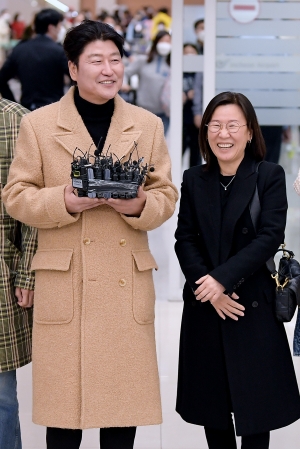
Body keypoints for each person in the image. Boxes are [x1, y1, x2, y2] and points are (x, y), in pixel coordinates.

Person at [3, 20, 177, 449]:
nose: (108, 69)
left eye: (115, 60)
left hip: (123, 280)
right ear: (73, 69)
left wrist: (137, 205)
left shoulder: (147, 125)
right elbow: (16, 197)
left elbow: (167, 196)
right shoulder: (40, 125)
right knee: (64, 416)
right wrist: (63, 200)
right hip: (67, 281)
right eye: (95, 60)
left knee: (121, 412)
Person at [174, 91, 300, 449]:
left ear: (249, 132)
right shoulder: (194, 178)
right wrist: (208, 289)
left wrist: (221, 280)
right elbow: (184, 238)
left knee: (257, 408)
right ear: (205, 131)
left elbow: (269, 237)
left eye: (232, 125)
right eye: (215, 125)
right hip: (205, 304)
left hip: (252, 304)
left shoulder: (268, 175)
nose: (223, 134)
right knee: (212, 407)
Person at [0, 97, 37, 449]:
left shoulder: (17, 122)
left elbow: (31, 207)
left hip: (2, 266)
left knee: (1, 396)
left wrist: (26, 274)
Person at [0, 8, 69, 111]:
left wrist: (14, 105)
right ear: (51, 27)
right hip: (54, 109)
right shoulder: (59, 51)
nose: (61, 29)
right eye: (59, 25)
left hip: (27, 110)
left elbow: (1, 79)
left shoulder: (20, 49)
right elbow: (77, 79)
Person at [123, 30, 171, 134]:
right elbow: (125, 73)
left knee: (158, 146)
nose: (165, 44)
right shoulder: (143, 61)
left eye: (168, 41)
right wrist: (124, 84)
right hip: (142, 111)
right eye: (162, 41)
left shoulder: (173, 65)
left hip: (164, 113)